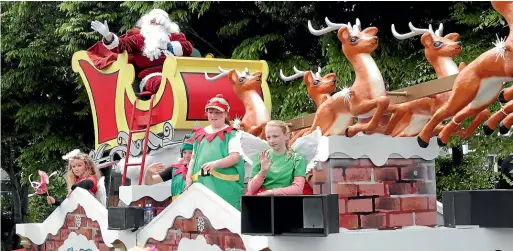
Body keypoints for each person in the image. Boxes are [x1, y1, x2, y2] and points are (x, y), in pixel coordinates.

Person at [89, 8, 193, 95]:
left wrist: (168, 46)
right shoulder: (139, 39)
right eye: (152, 22)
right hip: (152, 76)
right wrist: (108, 36)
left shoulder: (174, 37)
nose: (155, 24)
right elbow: (121, 46)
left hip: (177, 74)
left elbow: (188, 48)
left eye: (159, 23)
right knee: (163, 83)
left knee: (191, 84)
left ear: (166, 25)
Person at [184, 94, 245, 210]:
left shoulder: (231, 133)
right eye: (210, 112)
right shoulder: (199, 133)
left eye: (218, 112)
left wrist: (215, 164)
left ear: (225, 114)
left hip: (223, 186)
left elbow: (234, 157)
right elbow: (193, 158)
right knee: (203, 218)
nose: (213, 115)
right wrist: (188, 177)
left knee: (224, 217)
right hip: (202, 183)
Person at [245, 120, 307, 196]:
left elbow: (298, 189)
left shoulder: (297, 159)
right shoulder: (261, 157)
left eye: (275, 136)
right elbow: (251, 189)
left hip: (287, 202)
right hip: (262, 202)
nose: (271, 141)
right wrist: (263, 171)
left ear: (286, 136)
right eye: (268, 137)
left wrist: (271, 192)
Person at [145, 134, 194, 200]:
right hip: (178, 207)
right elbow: (150, 182)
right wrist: (148, 172)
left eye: (190, 153)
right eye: (184, 152)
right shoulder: (174, 169)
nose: (187, 156)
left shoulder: (199, 169)